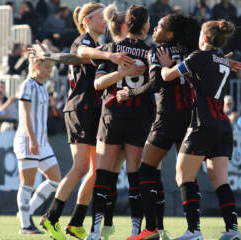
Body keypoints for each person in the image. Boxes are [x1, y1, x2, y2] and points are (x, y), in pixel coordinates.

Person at [40, 3, 134, 240]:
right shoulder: (84, 42)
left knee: (95, 171)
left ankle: (76, 222)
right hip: (80, 109)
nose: (105, 21)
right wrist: (109, 55)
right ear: (86, 21)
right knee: (82, 167)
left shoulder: (98, 46)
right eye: (100, 17)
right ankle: (50, 217)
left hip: (92, 111)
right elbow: (78, 55)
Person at [115, 14, 200, 240]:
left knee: (146, 170)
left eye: (160, 26)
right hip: (191, 119)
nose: (154, 29)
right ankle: (194, 229)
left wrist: (129, 92)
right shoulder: (192, 52)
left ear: (170, 34)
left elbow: (155, 84)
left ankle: (151, 228)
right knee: (188, 176)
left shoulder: (158, 52)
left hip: (167, 119)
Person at [159, 19, 241, 240]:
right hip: (223, 126)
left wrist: (164, 64)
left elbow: (168, 76)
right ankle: (233, 230)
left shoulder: (198, 57)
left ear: (204, 38)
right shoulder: (222, 62)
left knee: (183, 175)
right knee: (220, 180)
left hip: (202, 123)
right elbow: (207, 71)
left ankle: (193, 231)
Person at [86, 5, 153, 240]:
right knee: (136, 178)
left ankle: (94, 232)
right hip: (140, 119)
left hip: (112, 116)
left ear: (127, 25)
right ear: (145, 26)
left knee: (103, 175)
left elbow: (98, 84)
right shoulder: (150, 52)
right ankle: (136, 231)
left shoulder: (111, 50)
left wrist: (122, 73)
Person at [13, 46, 62, 235]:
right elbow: (25, 115)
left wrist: (43, 48)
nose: (50, 71)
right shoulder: (28, 85)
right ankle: (25, 225)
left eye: (51, 67)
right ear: (35, 66)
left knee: (56, 181)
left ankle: (26, 213)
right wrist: (33, 140)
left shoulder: (42, 86)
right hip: (28, 140)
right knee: (27, 184)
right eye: (47, 67)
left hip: (42, 143)